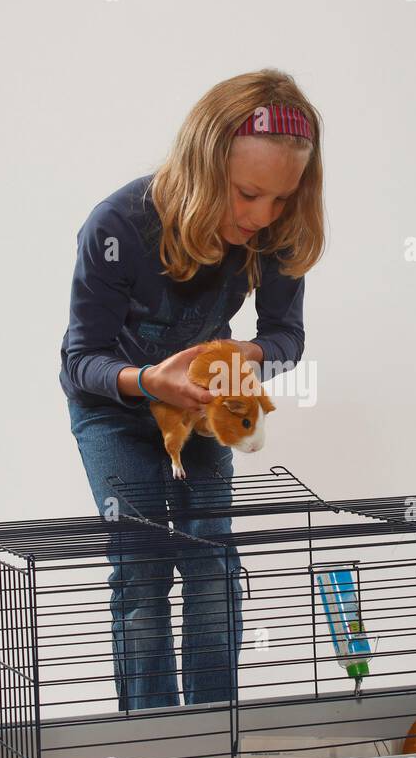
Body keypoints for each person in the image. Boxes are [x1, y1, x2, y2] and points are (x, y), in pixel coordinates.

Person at [59, 69, 325, 711]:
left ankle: (213, 730)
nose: (261, 217)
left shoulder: (275, 231)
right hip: (114, 413)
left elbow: (286, 335)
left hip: (199, 414)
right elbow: (79, 363)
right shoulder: (118, 225)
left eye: (281, 199)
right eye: (246, 195)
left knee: (211, 562)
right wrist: (151, 380)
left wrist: (247, 355)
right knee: (143, 566)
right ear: (205, 168)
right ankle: (154, 740)